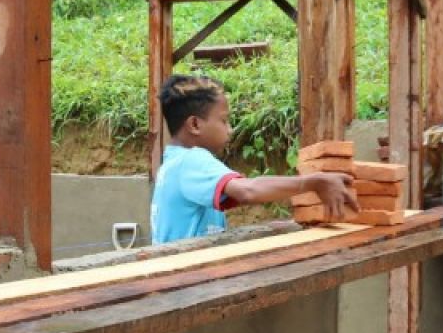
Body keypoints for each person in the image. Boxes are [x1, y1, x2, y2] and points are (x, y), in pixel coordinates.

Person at [151, 74, 358, 243]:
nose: (230, 130)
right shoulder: (192, 160)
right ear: (195, 124)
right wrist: (314, 182)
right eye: (224, 121)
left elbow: (238, 196)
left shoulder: (172, 164)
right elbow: (247, 191)